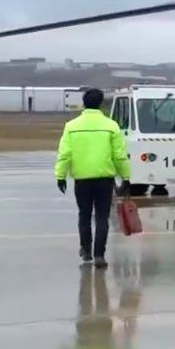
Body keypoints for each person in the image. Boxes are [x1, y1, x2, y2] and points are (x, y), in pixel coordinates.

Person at [55, 88, 131, 268]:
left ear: (84, 103)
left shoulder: (71, 126)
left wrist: (61, 176)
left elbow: (65, 154)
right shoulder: (111, 126)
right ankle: (99, 255)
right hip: (104, 179)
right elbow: (119, 155)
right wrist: (126, 176)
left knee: (84, 215)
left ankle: (86, 250)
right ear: (101, 103)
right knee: (102, 217)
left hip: (82, 179)